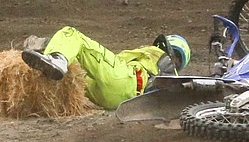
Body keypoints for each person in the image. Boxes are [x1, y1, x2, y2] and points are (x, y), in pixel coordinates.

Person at [20, 27, 191, 111]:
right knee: (73, 75)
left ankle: (57, 56)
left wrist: (46, 41)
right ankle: (53, 59)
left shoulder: (158, 55)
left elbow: (114, 60)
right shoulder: (167, 76)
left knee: (73, 34)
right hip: (118, 101)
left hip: (125, 80)